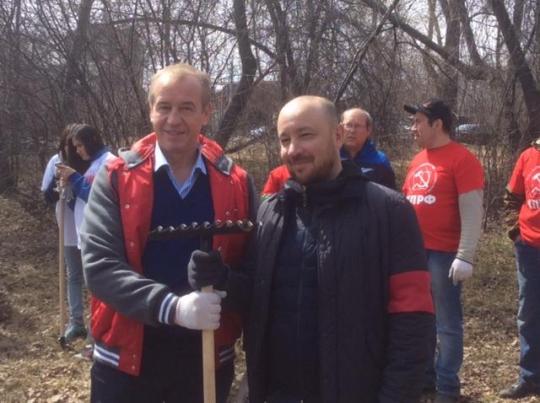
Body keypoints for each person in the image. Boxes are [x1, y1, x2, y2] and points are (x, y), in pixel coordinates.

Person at [189, 95, 435, 402]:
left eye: (306, 135)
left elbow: (414, 321)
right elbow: (256, 296)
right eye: (285, 140)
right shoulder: (271, 212)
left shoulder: (389, 212)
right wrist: (221, 279)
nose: (294, 149)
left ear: (337, 135)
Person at [80, 63, 254, 403]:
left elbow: (254, 274)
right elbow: (100, 267)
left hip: (204, 359)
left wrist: (227, 282)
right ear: (151, 111)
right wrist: (173, 308)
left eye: (187, 108)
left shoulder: (236, 183)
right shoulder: (116, 177)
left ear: (206, 112)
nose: (174, 120)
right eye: (164, 107)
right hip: (127, 362)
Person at [403, 99, 484, 403]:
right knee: (421, 320)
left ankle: (447, 386)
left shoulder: (462, 159)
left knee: (447, 324)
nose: (413, 128)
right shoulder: (417, 160)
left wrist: (465, 255)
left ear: (437, 124)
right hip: (414, 254)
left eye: (418, 122)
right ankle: (426, 377)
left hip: (444, 255)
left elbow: (473, 211)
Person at [499, 137, 540, 399]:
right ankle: (530, 377)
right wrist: (516, 233)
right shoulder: (528, 156)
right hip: (529, 248)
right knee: (529, 313)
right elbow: (511, 197)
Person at [41, 125, 90, 341]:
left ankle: (96, 325)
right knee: (74, 274)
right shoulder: (56, 161)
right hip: (68, 225)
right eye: (71, 145)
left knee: (93, 276)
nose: (75, 149)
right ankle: (76, 322)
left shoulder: (89, 161)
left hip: (89, 225)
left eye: (77, 145)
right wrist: (57, 181)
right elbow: (47, 196)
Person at [55, 124, 115, 248]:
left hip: (101, 237)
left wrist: (74, 177)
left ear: (92, 140)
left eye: (80, 145)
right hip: (86, 234)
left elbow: (98, 197)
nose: (77, 151)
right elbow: (80, 203)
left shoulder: (109, 162)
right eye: (76, 147)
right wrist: (70, 187)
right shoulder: (92, 165)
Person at [340, 107, 396, 189]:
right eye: (348, 125)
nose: (352, 130)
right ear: (340, 128)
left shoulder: (380, 161)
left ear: (368, 130)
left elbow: (390, 194)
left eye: (357, 126)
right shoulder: (331, 157)